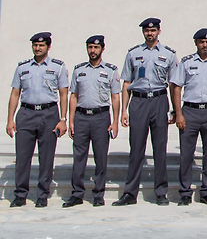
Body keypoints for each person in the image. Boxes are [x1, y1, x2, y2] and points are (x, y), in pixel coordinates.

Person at [113, 18, 177, 206]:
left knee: (160, 148)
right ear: (143, 32)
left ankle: (160, 192)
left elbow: (174, 84)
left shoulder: (169, 54)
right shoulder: (133, 53)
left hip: (159, 100)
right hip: (138, 102)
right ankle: (130, 193)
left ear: (159, 31)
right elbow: (126, 82)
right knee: (136, 149)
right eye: (147, 31)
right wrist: (124, 110)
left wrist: (174, 109)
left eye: (153, 30)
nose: (150, 33)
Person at [6, 32, 69, 208]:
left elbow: (64, 94)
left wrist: (63, 119)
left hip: (49, 114)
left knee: (46, 157)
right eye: (35, 45)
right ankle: (20, 195)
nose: (37, 48)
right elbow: (15, 94)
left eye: (41, 45)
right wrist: (10, 119)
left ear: (48, 47)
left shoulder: (58, 67)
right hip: (26, 114)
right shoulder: (22, 67)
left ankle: (42, 195)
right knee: (22, 157)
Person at [170, 28, 207, 206]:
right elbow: (176, 87)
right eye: (201, 42)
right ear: (195, 43)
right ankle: (185, 192)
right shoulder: (186, 62)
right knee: (186, 155)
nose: (205, 45)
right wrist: (178, 113)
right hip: (190, 111)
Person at [63, 35, 121, 208]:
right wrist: (71, 120)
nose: (92, 51)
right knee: (79, 157)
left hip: (101, 118)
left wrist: (115, 121)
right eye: (90, 47)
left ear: (102, 49)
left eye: (96, 48)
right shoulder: (79, 70)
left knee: (100, 158)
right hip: (81, 117)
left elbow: (115, 97)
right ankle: (77, 194)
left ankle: (98, 193)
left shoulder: (111, 70)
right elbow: (73, 95)